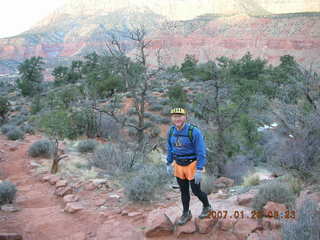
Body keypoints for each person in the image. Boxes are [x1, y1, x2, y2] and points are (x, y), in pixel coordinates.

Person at [166, 107, 212, 225]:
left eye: (180, 116)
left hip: (192, 164)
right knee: (183, 191)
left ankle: (207, 206)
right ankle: (186, 213)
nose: (178, 119)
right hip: (179, 165)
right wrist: (168, 162)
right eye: (175, 116)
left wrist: (199, 169)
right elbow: (170, 148)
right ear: (172, 118)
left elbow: (201, 151)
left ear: (185, 117)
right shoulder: (171, 131)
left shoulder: (193, 131)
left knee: (196, 190)